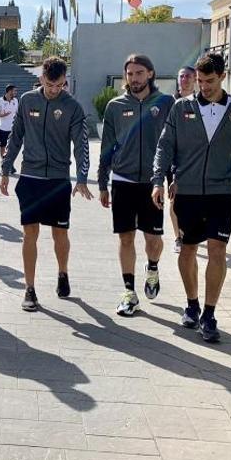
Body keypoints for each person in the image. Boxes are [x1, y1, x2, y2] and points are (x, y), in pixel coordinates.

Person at [152, 52, 231, 343]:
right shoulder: (182, 108)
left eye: (209, 81)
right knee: (189, 249)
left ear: (223, 77)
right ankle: (192, 304)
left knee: (218, 251)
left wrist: (224, 175)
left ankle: (209, 313)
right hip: (188, 192)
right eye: (200, 81)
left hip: (221, 194)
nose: (204, 87)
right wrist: (158, 181)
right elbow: (165, 146)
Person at [0, 56, 92, 311]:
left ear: (65, 82)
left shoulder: (73, 107)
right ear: (41, 79)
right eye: (50, 84)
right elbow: (15, 136)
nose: (54, 90)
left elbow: (81, 145)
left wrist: (82, 177)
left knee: (59, 233)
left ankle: (63, 273)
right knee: (30, 233)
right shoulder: (28, 100)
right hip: (30, 177)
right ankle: (29, 289)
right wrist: (6, 170)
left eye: (60, 85)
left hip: (58, 180)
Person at [97, 54, 175, 317]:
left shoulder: (165, 103)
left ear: (151, 74)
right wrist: (102, 183)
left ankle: (152, 268)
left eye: (139, 73)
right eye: (130, 74)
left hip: (153, 184)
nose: (134, 79)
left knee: (153, 239)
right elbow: (107, 145)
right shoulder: (115, 106)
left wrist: (170, 179)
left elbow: (173, 145)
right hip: (122, 180)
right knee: (126, 237)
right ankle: (129, 293)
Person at [169, 66, 197, 253]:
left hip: (194, 159)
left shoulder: (199, 102)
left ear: (195, 79)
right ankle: (178, 237)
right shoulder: (169, 102)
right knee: (174, 200)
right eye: (181, 76)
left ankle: (192, 233)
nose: (184, 79)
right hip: (173, 159)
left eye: (188, 76)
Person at [0, 84, 18, 171]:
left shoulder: (16, 100)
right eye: (14, 91)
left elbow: (18, 113)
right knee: (2, 146)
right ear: (9, 91)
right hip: (3, 128)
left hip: (13, 129)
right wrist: (3, 114)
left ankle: (10, 164)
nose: (16, 92)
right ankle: (4, 163)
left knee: (12, 147)